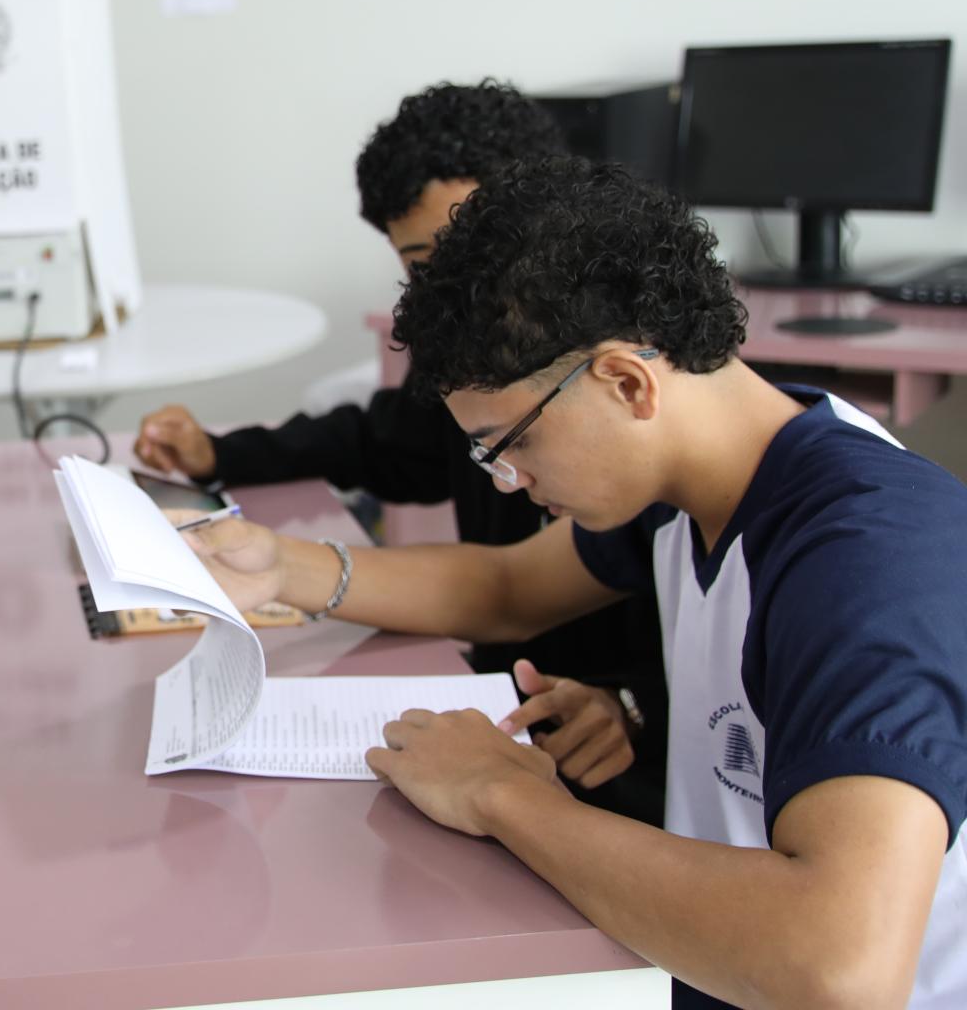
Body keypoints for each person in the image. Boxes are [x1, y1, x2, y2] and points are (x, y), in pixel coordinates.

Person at [182, 157, 967, 1008]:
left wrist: (502, 795)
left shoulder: (867, 554)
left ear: (625, 382)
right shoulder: (696, 475)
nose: (504, 481)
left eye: (508, 443)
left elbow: (841, 971)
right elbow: (506, 590)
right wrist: (279, 565)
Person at [138, 82, 664, 819]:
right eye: (422, 265)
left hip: (609, 763)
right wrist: (224, 466)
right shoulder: (470, 340)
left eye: (460, 252)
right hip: (507, 708)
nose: (448, 289)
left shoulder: (649, 411)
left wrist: (638, 705)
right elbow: (495, 578)